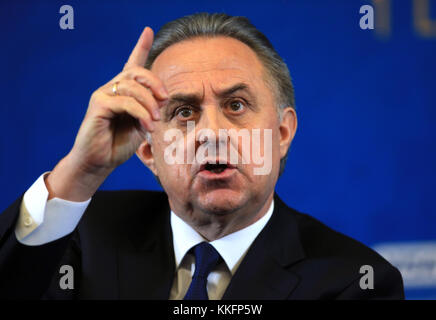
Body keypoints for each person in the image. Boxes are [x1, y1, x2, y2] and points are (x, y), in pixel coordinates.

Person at [0, 13, 404, 300]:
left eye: (236, 105)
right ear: (147, 150)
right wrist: (81, 171)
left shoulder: (355, 283)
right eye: (184, 112)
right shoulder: (81, 239)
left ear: (282, 133)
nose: (211, 133)